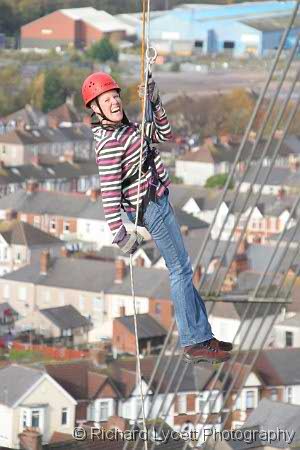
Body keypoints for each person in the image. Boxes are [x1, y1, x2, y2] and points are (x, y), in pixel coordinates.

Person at [81, 72, 232, 364]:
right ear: (95, 109)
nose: (114, 102)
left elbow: (163, 134)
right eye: (106, 100)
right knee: (180, 271)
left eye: (115, 97)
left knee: (184, 270)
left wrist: (154, 100)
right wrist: (120, 233)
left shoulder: (128, 129)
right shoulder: (109, 143)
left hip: (159, 199)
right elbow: (110, 192)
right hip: (150, 206)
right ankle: (193, 342)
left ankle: (203, 336)